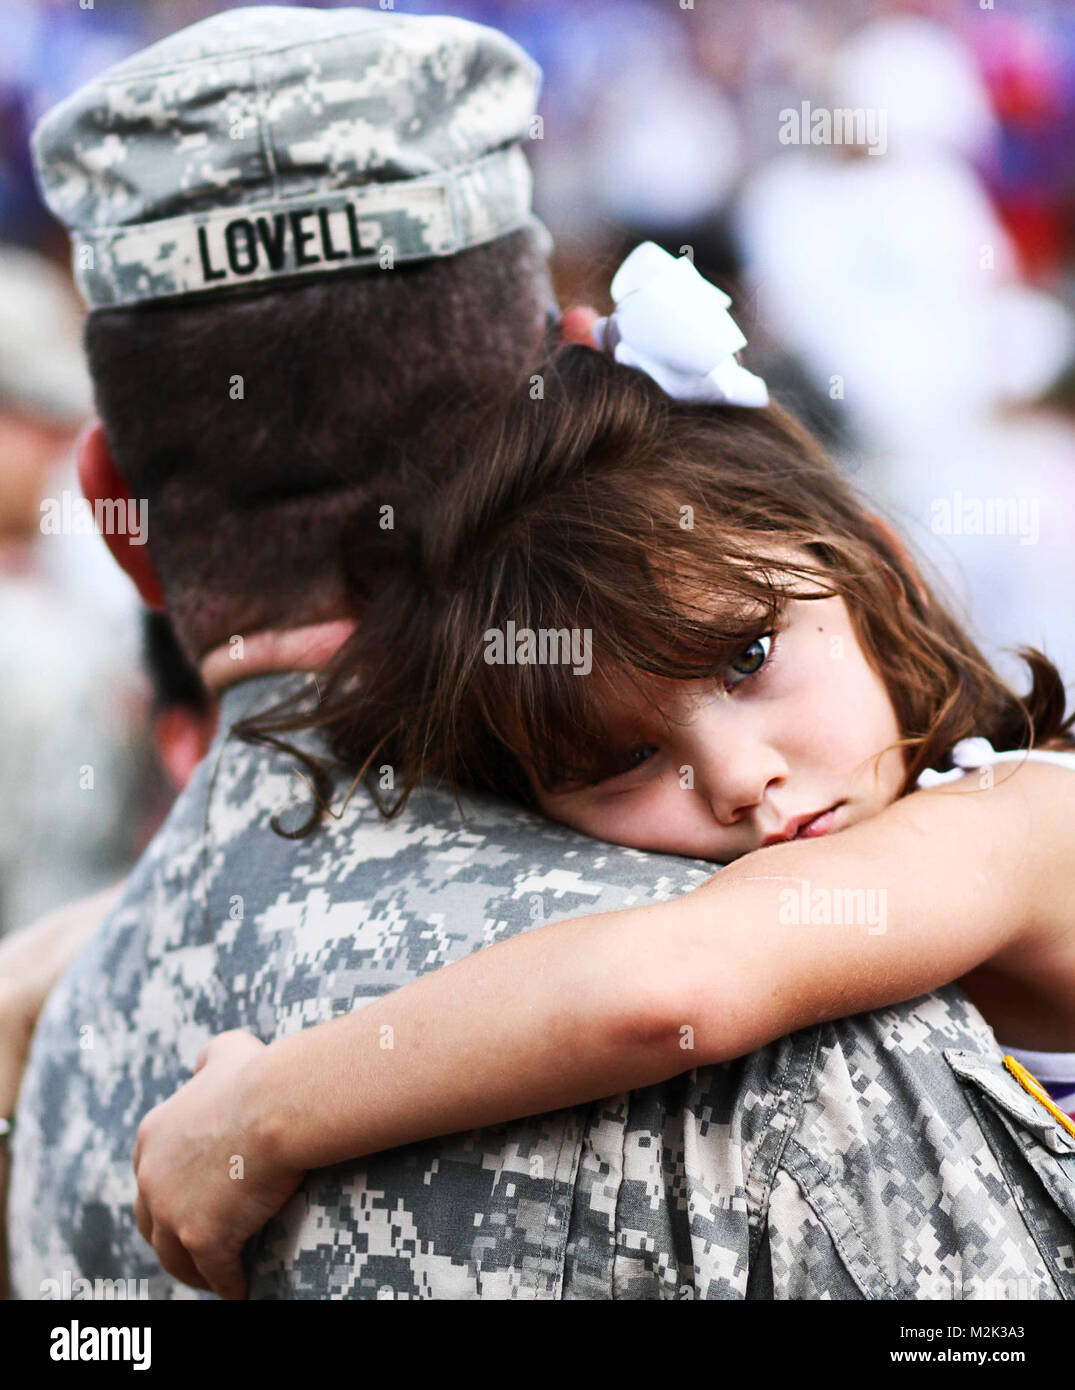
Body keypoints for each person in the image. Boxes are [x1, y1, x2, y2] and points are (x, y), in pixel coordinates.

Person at [6, 6, 1074, 1303]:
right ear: (564, 362)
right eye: (620, 756)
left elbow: (674, 978)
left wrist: (264, 1108)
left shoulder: (1019, 820)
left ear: (872, 561)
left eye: (746, 653)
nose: (739, 778)